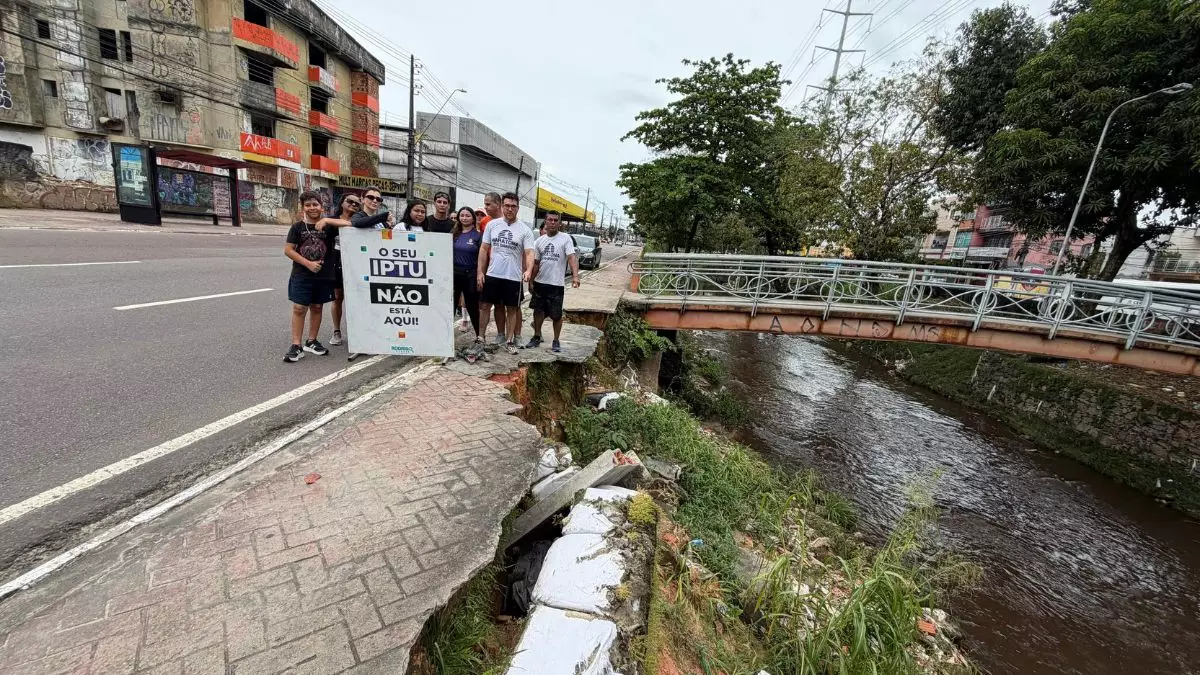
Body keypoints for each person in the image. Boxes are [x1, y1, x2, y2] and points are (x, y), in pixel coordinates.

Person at [283, 191, 352, 362]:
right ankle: (296, 345)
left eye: (315, 204)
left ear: (322, 207)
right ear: (303, 208)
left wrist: (327, 220)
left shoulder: (328, 226)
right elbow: (288, 250)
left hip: (324, 276)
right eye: (308, 205)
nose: (312, 208)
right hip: (301, 274)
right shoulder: (297, 228)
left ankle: (311, 341)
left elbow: (349, 223)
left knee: (317, 307)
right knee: (299, 308)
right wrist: (308, 263)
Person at [329, 192, 392, 349]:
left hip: (368, 266)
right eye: (371, 197)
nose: (375, 201)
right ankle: (336, 331)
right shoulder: (354, 218)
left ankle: (365, 333)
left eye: (378, 199)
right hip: (342, 264)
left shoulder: (375, 221)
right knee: (338, 297)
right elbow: (357, 223)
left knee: (364, 299)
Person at [477, 192, 535, 354]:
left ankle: (510, 340)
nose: (510, 209)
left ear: (518, 208)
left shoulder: (525, 230)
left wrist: (528, 270)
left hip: (513, 276)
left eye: (513, 206)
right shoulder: (492, 225)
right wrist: (480, 272)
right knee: (486, 306)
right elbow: (484, 249)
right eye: (507, 205)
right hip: (493, 274)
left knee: (512, 309)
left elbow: (530, 252)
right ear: (502, 206)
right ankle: (481, 337)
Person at [526, 211, 580, 353]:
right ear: (545, 221)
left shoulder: (565, 239)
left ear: (559, 223)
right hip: (540, 282)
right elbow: (536, 263)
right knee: (538, 311)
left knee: (556, 315)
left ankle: (556, 340)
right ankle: (537, 336)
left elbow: (571, 258)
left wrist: (575, 276)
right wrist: (531, 281)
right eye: (550, 220)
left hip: (556, 284)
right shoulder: (539, 241)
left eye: (556, 220)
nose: (553, 222)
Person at [452, 206, 484, 343]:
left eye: (467, 215)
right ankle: (445, 338)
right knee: (451, 306)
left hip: (470, 275)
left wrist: (480, 274)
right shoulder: (454, 233)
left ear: (473, 218)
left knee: (472, 306)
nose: (464, 218)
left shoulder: (478, 236)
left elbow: (482, 257)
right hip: (453, 274)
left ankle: (479, 337)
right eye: (462, 215)